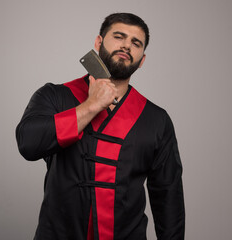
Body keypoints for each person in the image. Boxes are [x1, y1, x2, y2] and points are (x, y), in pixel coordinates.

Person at [16, 12, 185, 240]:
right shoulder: (55, 96)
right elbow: (28, 143)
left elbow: (168, 199)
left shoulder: (157, 120)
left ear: (142, 59)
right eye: (119, 36)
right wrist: (92, 105)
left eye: (136, 43)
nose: (126, 46)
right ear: (98, 42)